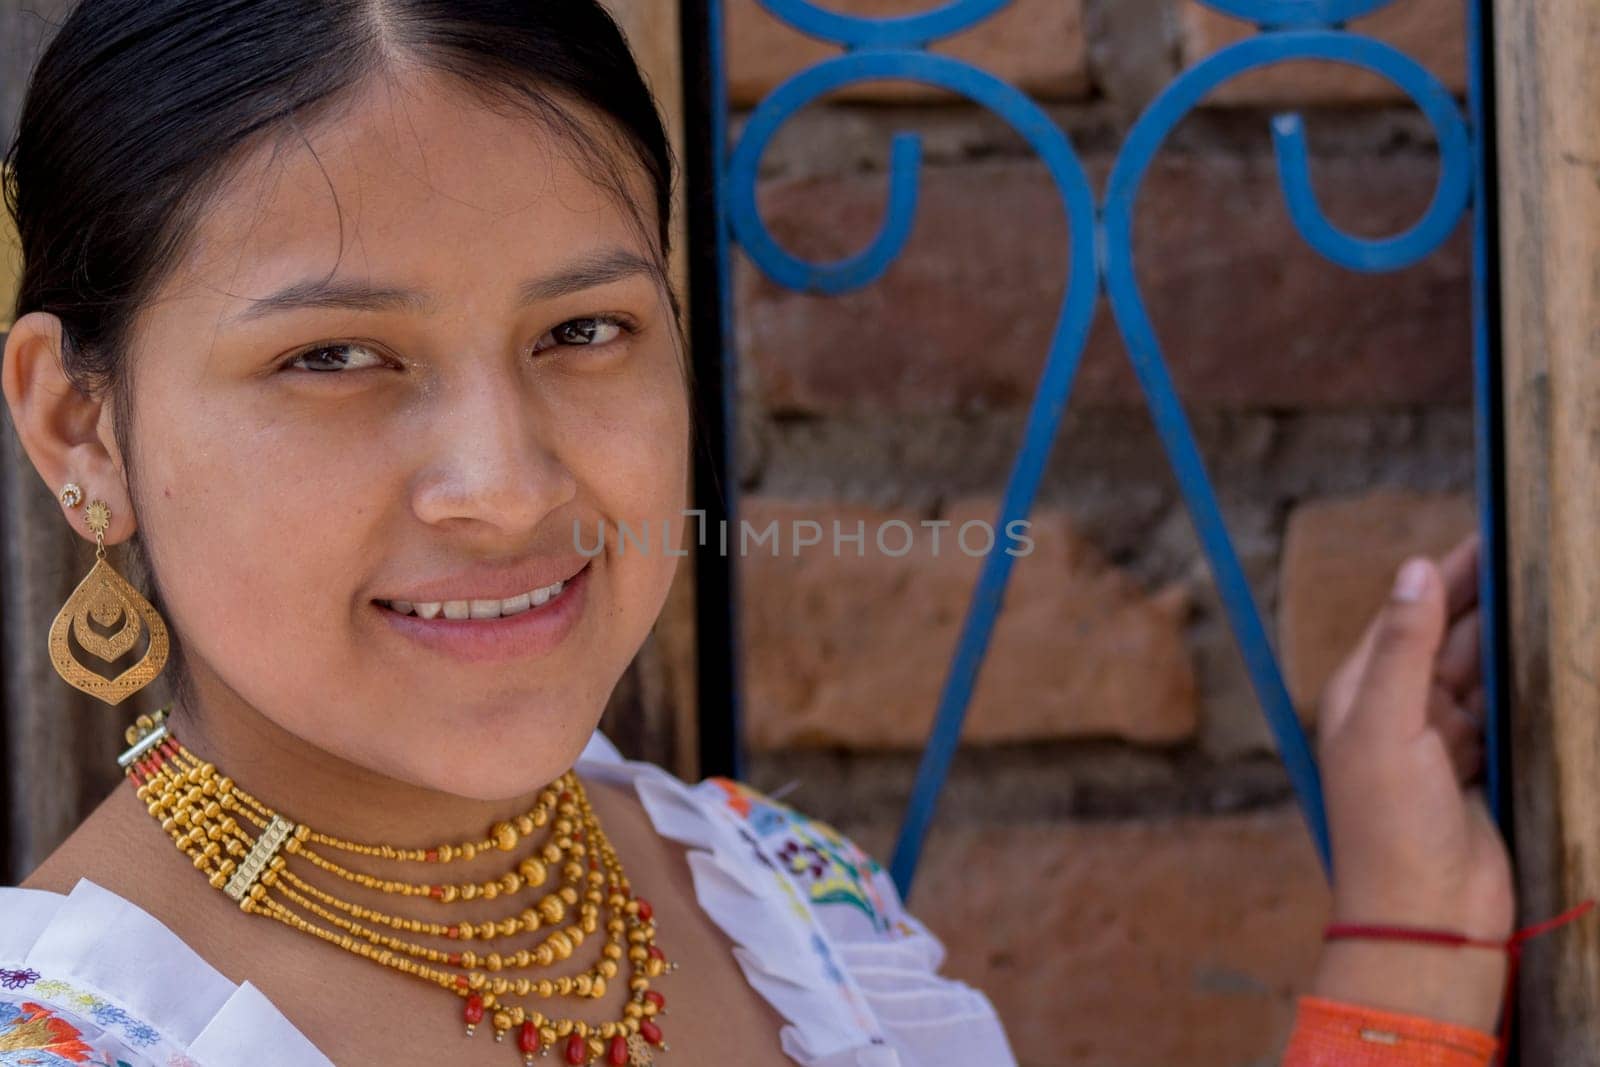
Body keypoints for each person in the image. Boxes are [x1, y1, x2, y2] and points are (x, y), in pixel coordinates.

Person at [0, 2, 1555, 1064]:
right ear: (80, 424)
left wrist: (1411, 933)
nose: (509, 485)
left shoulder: (779, 898)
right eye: (334, 357)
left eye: (586, 330)